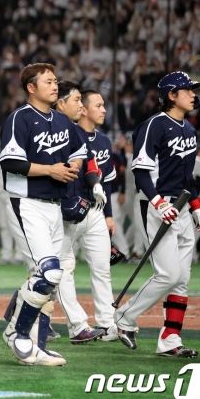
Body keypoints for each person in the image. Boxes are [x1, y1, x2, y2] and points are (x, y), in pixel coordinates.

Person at [0, 63, 87, 367]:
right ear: (31, 87)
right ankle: (17, 332)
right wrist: (51, 169)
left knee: (52, 277)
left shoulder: (62, 120)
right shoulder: (19, 118)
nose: (54, 86)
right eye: (48, 81)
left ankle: (38, 346)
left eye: (55, 81)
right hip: (27, 202)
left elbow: (78, 151)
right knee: (48, 272)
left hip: (54, 205)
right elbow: (11, 162)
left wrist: (73, 166)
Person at [115, 71, 200, 358]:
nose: (193, 94)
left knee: (181, 279)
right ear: (171, 95)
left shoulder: (190, 130)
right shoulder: (152, 126)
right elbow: (140, 170)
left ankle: (170, 339)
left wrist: (197, 206)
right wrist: (157, 202)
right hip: (157, 205)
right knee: (168, 274)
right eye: (187, 89)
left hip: (182, 206)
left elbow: (188, 177)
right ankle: (125, 316)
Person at [54, 84, 115, 344]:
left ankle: (108, 324)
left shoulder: (101, 140)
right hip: (64, 211)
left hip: (93, 209)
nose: (102, 110)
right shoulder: (63, 131)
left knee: (102, 268)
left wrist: (108, 212)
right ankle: (76, 325)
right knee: (62, 269)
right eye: (96, 105)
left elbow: (102, 176)